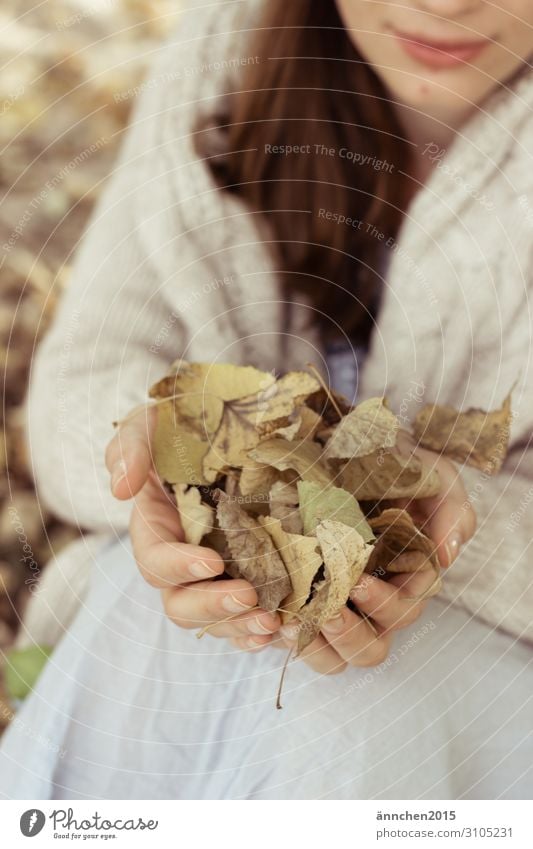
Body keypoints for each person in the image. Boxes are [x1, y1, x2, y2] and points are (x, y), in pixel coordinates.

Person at [1, 0, 533, 799]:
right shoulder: (231, 42)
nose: (446, 2)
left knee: (360, 694)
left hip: (491, 669)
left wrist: (445, 535)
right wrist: (174, 451)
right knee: (168, 620)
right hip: (188, 643)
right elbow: (85, 374)